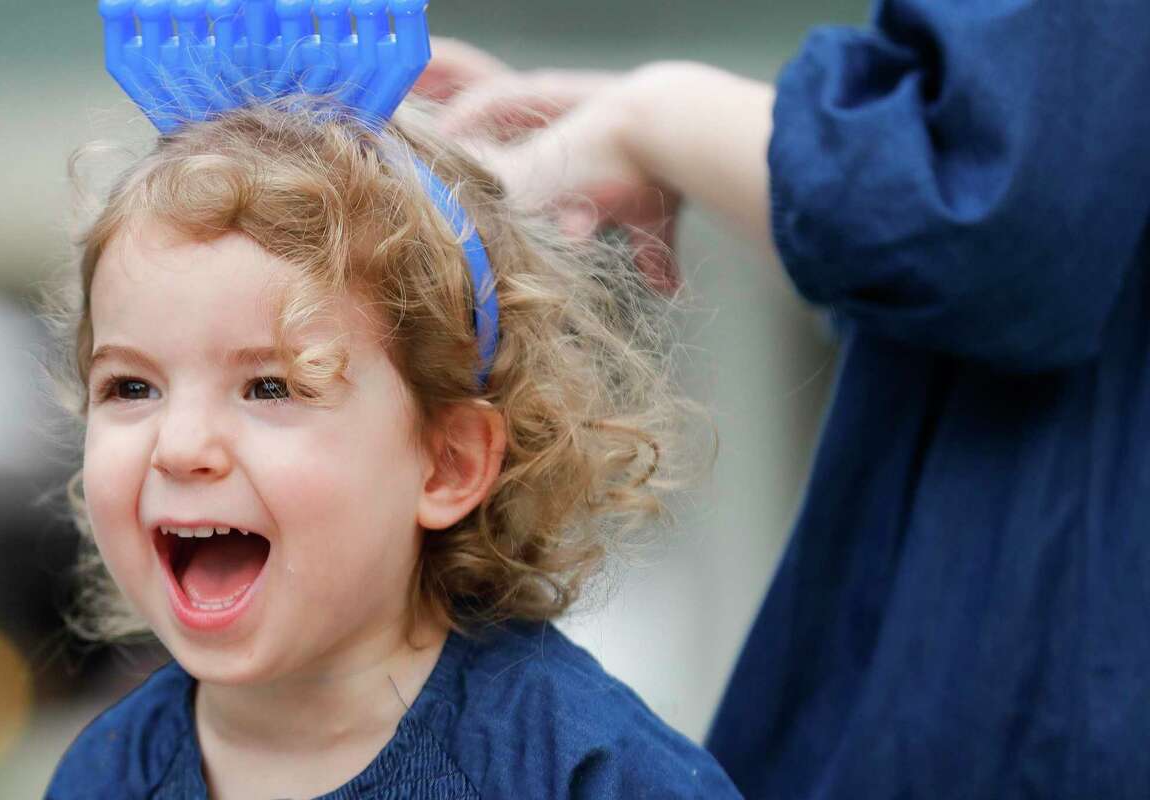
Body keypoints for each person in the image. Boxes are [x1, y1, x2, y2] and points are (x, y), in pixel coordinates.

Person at [419, 3, 1150, 797]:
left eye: (283, 386)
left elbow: (993, 208)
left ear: (452, 458)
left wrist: (659, 117)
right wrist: (635, 116)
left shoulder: (578, 757)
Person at [43, 102, 740, 798]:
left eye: (269, 387)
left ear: (446, 465)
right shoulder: (105, 774)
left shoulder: (585, 772)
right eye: (131, 386)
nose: (181, 445)